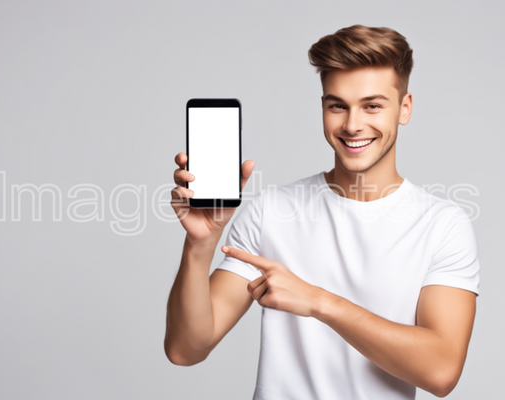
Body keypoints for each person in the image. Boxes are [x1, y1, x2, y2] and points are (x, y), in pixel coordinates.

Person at [164, 25, 480, 400]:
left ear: (404, 108)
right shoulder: (272, 211)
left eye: (372, 105)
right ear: (323, 108)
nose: (352, 125)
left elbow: (441, 371)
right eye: (337, 105)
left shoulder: (442, 225)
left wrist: (319, 302)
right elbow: (186, 349)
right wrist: (199, 246)